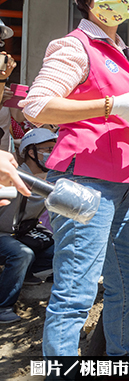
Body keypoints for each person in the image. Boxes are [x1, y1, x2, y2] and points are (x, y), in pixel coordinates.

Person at [20, 0, 129, 357]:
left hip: (123, 185)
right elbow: (37, 106)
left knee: (128, 281)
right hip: (85, 184)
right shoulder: (74, 47)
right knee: (75, 291)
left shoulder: (125, 56)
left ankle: (121, 356)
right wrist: (112, 107)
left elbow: (122, 122)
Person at [0, 129, 57, 324]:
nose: (53, 152)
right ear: (31, 152)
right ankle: (3, 306)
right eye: (48, 148)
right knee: (22, 254)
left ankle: (25, 273)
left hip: (24, 232)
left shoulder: (50, 179)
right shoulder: (12, 174)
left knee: (61, 249)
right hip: (3, 234)